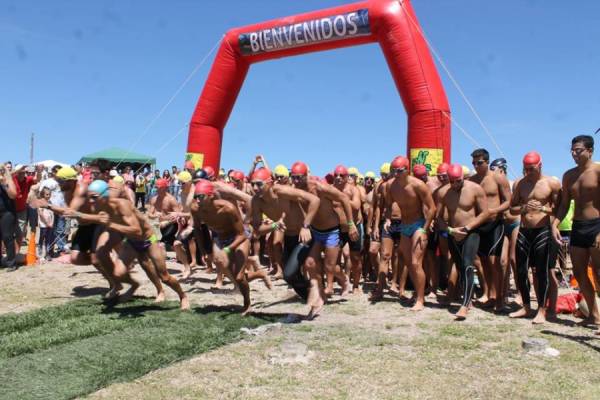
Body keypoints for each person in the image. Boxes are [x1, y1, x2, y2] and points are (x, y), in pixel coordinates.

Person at [78, 180, 189, 309]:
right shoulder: (98, 204)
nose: (91, 200)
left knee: (164, 277)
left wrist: (110, 224)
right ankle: (136, 286)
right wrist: (73, 213)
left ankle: (182, 295)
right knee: (118, 273)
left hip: (148, 240)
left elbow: (136, 230)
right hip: (131, 242)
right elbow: (94, 217)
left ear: (105, 195)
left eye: (94, 197)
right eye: (89, 197)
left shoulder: (123, 204)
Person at [291, 161, 358, 319]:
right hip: (315, 231)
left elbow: (343, 198)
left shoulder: (319, 187)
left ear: (306, 175)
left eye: (299, 177)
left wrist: (351, 223)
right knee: (309, 264)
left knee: (330, 266)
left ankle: (342, 280)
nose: (295, 181)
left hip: (332, 231)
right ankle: (320, 292)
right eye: (293, 177)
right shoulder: (294, 190)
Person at [191, 179, 261, 315]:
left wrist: (227, 249)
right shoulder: (195, 209)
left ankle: (247, 303)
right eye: (195, 197)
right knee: (228, 269)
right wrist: (203, 251)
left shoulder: (227, 208)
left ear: (211, 196)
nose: (197, 201)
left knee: (239, 277)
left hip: (239, 237)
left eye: (200, 197)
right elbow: (198, 229)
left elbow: (242, 235)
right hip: (220, 238)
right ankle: (257, 274)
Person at [250, 167, 320, 300]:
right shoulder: (256, 201)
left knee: (289, 274)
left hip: (304, 235)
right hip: (289, 236)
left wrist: (306, 226)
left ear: (270, 183)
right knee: (290, 277)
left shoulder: (283, 191)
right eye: (252, 184)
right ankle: (311, 297)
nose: (254, 188)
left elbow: (315, 200)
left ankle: (316, 295)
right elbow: (258, 230)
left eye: (259, 184)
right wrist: (275, 225)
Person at [552, 135, 600, 325]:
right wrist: (554, 224)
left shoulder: (597, 171)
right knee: (579, 273)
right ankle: (594, 315)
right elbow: (564, 205)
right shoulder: (569, 175)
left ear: (590, 150)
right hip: (578, 227)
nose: (574, 153)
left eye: (578, 150)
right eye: (572, 150)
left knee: (598, 272)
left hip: (597, 223)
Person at [509, 151, 560, 324]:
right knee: (521, 269)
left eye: (531, 169)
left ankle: (542, 309)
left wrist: (543, 209)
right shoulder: (519, 184)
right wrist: (523, 208)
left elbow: (560, 209)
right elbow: (512, 209)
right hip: (524, 230)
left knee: (541, 271)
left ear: (540, 166)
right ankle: (525, 306)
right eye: (525, 169)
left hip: (542, 229)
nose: (528, 172)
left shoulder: (551, 183)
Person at [382, 156, 436, 311]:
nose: (395, 174)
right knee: (409, 263)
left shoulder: (418, 185)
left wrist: (424, 229)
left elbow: (432, 208)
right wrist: (387, 220)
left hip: (418, 224)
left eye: (399, 170)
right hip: (404, 226)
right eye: (393, 170)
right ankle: (418, 293)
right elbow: (388, 204)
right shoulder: (391, 186)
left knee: (415, 262)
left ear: (407, 170)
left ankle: (420, 300)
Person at [437, 164, 489, 319]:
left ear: (463, 177)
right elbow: (439, 217)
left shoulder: (475, 189)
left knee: (467, 265)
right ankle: (469, 297)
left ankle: (464, 305)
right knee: (460, 266)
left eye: (458, 181)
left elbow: (485, 213)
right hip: (454, 233)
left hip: (471, 232)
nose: (454, 184)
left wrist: (467, 228)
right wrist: (451, 231)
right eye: (451, 181)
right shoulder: (443, 193)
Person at [469, 148, 512, 311]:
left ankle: (500, 299)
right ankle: (490, 295)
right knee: (484, 262)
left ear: (487, 161)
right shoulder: (472, 180)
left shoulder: (498, 178)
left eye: (479, 162)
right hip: (479, 225)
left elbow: (508, 201)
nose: (476, 166)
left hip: (495, 223)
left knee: (495, 262)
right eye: (473, 163)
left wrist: (492, 211)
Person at [332, 165, 364, 294]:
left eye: (341, 176)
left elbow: (356, 205)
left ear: (347, 177)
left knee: (355, 259)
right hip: (337, 229)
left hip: (353, 228)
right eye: (336, 176)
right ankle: (343, 279)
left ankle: (356, 285)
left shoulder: (353, 190)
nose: (338, 178)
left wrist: (343, 198)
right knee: (333, 259)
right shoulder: (331, 190)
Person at [0, 163, 17, 269]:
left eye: (2, 170)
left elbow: (13, 194)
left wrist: (4, 183)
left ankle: (11, 262)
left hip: (7, 212)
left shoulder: (8, 180)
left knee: (7, 237)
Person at [37, 187, 55, 261]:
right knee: (42, 238)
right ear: (43, 194)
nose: (49, 196)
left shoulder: (50, 202)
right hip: (43, 225)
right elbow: (41, 214)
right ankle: (40, 253)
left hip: (50, 225)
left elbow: (52, 214)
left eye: (50, 194)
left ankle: (47, 254)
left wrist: (52, 223)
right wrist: (47, 223)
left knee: (48, 239)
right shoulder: (40, 202)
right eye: (47, 194)